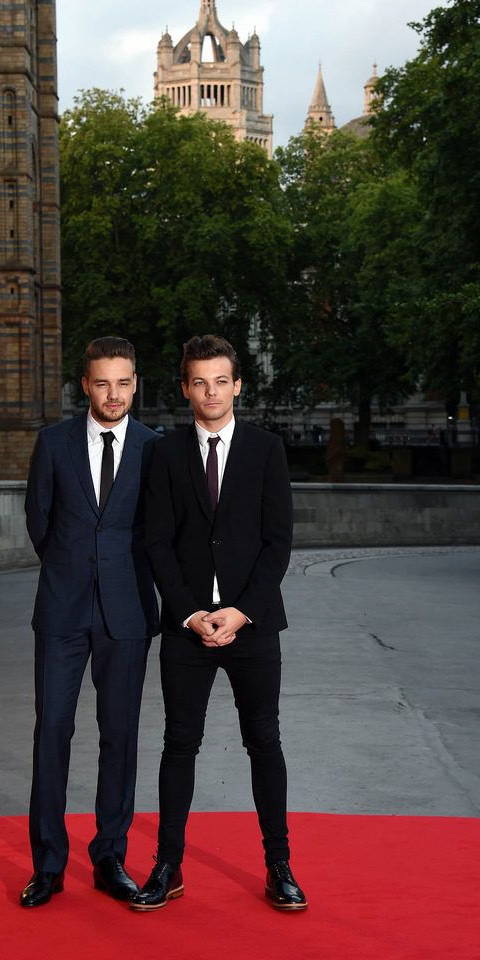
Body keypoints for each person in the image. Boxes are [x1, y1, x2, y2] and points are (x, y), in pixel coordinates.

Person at [130, 334, 307, 913]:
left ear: (237, 385)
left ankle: (279, 867)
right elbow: (155, 540)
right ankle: (167, 866)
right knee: (179, 744)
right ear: (185, 388)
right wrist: (189, 612)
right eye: (199, 382)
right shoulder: (163, 452)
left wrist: (241, 610)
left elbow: (278, 543)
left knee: (265, 742)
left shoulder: (266, 449)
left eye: (221, 381)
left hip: (252, 626)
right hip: (187, 629)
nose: (211, 392)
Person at [21, 336, 159, 908]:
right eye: (102, 383)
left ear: (135, 384)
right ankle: (48, 865)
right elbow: (39, 519)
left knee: (119, 737)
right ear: (85, 385)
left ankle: (109, 857)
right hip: (61, 609)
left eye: (123, 382)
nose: (113, 394)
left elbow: (160, 532)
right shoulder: (53, 443)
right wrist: (71, 569)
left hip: (126, 613)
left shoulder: (156, 449)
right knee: (52, 731)